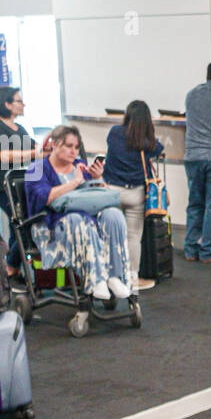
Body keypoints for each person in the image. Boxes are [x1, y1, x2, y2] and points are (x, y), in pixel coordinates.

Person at [24, 126, 132, 302]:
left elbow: (97, 199)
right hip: (50, 228)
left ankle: (114, 275)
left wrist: (98, 180)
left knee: (113, 214)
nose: (74, 151)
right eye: (69, 146)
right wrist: (74, 182)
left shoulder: (79, 166)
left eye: (76, 147)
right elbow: (45, 198)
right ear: (54, 145)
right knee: (78, 219)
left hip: (85, 225)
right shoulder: (37, 169)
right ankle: (96, 279)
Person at [104, 100, 164, 292]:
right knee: (133, 237)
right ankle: (132, 276)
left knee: (110, 235)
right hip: (136, 194)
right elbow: (159, 149)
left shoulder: (114, 133)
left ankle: (109, 275)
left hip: (112, 191)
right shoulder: (147, 142)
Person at [0, 87, 37, 277]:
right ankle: (11, 267)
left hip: (22, 186)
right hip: (4, 186)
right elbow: (4, 156)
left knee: (20, 226)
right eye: (18, 101)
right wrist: (33, 153)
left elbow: (35, 148)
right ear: (7, 104)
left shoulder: (20, 129)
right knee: (22, 225)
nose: (23, 104)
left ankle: (12, 268)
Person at [183, 62, 211, 262]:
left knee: (195, 204)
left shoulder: (191, 94)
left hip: (192, 157)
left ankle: (190, 249)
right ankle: (208, 251)